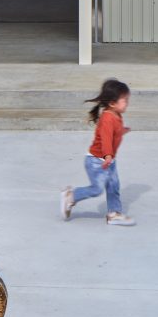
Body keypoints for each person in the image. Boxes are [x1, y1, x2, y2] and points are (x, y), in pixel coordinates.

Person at [61, 78, 136, 226]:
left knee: (113, 186)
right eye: (125, 100)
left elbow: (114, 133)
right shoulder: (108, 118)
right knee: (96, 189)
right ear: (112, 103)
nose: (127, 103)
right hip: (97, 161)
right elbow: (106, 139)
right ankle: (71, 196)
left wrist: (122, 131)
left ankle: (114, 214)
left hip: (108, 161)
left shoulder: (116, 115)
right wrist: (107, 155)